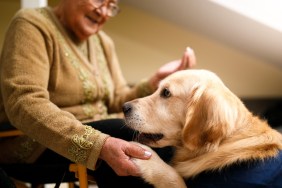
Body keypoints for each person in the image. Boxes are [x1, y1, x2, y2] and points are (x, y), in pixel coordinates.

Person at [0, 0, 196, 187]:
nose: (103, 12)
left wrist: (154, 82)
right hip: (37, 145)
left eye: (112, 6)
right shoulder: (31, 25)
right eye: (99, 0)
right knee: (134, 135)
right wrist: (98, 145)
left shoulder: (103, 43)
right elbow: (23, 103)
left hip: (101, 129)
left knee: (173, 139)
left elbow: (117, 100)